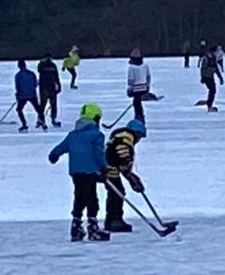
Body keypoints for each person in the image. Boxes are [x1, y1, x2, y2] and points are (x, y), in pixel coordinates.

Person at [48, 102, 109, 241]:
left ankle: (76, 225)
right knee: (91, 198)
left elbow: (62, 147)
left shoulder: (73, 135)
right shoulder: (96, 135)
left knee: (79, 196)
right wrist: (104, 168)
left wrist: (54, 154)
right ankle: (93, 227)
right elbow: (99, 153)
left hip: (76, 172)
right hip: (90, 171)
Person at [103, 117, 147, 234]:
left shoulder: (119, 137)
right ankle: (115, 220)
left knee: (116, 193)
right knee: (117, 193)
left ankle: (111, 220)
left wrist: (132, 178)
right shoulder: (126, 138)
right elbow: (122, 154)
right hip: (109, 169)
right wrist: (128, 172)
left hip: (110, 168)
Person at [14, 59, 47, 132]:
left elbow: (18, 86)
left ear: (19, 66)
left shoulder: (18, 75)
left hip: (22, 96)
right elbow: (35, 84)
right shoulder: (31, 73)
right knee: (39, 110)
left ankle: (24, 125)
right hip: (32, 95)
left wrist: (17, 95)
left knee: (19, 109)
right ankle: (43, 123)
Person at [126, 49, 151, 123]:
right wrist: (147, 86)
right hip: (144, 88)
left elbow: (130, 80)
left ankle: (138, 117)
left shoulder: (131, 67)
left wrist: (129, 90)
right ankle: (141, 116)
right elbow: (148, 77)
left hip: (135, 90)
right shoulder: (145, 66)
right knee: (138, 102)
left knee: (136, 103)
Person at [38, 54, 62, 127]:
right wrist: (58, 85)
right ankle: (43, 119)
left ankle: (46, 119)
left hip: (48, 88)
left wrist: (58, 85)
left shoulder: (48, 65)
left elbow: (56, 76)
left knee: (49, 104)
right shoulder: (46, 65)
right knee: (47, 104)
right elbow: (56, 77)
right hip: (47, 88)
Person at [199, 44, 220, 111]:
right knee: (212, 90)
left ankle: (209, 103)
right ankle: (209, 105)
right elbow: (202, 68)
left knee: (212, 90)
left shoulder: (213, 57)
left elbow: (216, 68)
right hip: (207, 76)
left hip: (211, 76)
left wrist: (220, 77)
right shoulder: (206, 58)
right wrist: (202, 77)